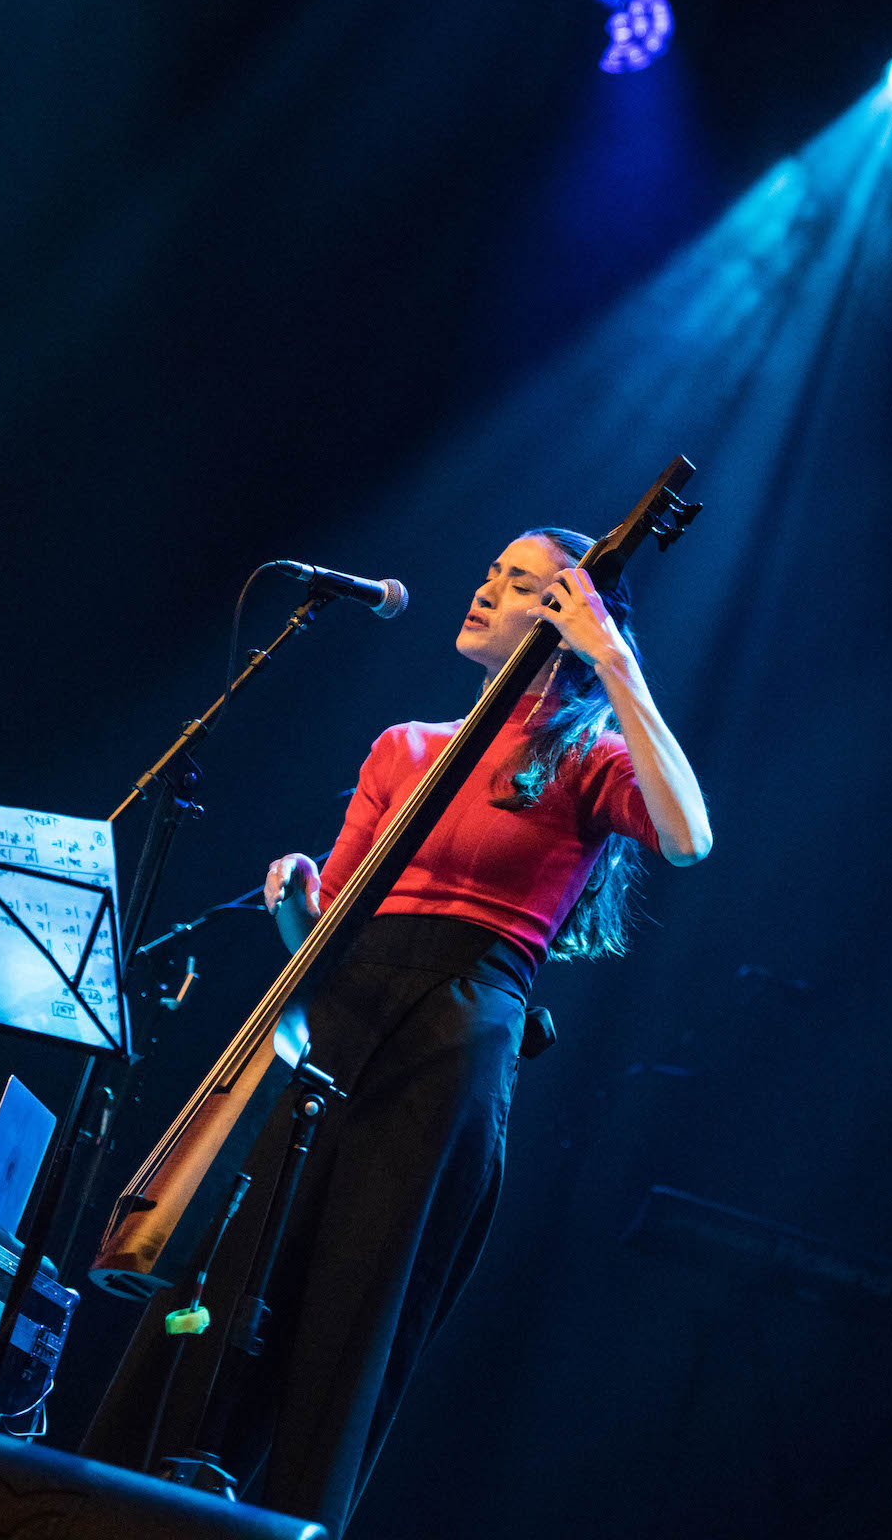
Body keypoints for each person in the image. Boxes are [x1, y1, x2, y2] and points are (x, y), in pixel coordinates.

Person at [81, 526, 709, 1533]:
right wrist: (297, 903)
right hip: (338, 1015)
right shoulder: (405, 745)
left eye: (517, 582)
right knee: (241, 1267)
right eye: (491, 569)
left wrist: (613, 658)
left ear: (566, 615)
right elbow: (327, 931)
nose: (484, 587)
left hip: (458, 1031)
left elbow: (688, 834)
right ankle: (124, 1505)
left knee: (355, 1305)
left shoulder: (587, 753)